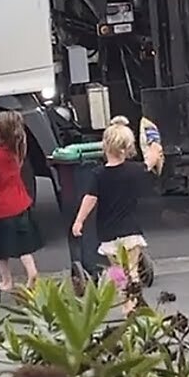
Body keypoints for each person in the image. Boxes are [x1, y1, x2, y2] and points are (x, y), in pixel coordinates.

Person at [71, 116, 160, 314]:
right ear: (127, 148)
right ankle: (134, 303)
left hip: (108, 233)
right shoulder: (135, 170)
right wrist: (154, 146)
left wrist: (79, 221)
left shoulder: (98, 174)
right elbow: (150, 162)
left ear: (105, 146)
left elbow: (90, 199)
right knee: (133, 270)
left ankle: (126, 302)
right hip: (131, 231)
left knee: (118, 269)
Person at [0, 101, 43, 291]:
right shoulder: (17, 149)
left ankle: (6, 281)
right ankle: (32, 272)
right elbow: (1, 127)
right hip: (20, 204)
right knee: (23, 245)